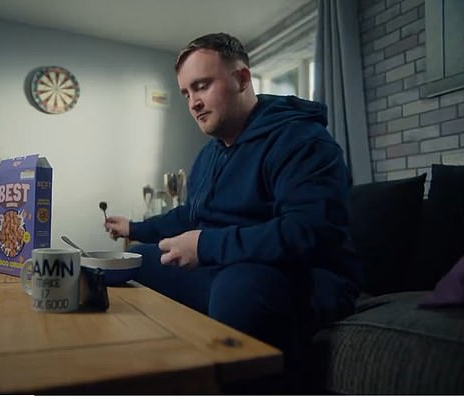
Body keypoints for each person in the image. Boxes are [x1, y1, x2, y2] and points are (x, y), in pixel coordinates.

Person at [105, 32, 362, 388]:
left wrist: (206, 246)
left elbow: (308, 233)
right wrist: (133, 228)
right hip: (224, 266)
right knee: (132, 262)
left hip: (299, 275)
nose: (193, 102)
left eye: (202, 86)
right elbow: (189, 216)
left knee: (238, 290)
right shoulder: (209, 154)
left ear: (242, 79)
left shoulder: (302, 141)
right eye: (186, 93)